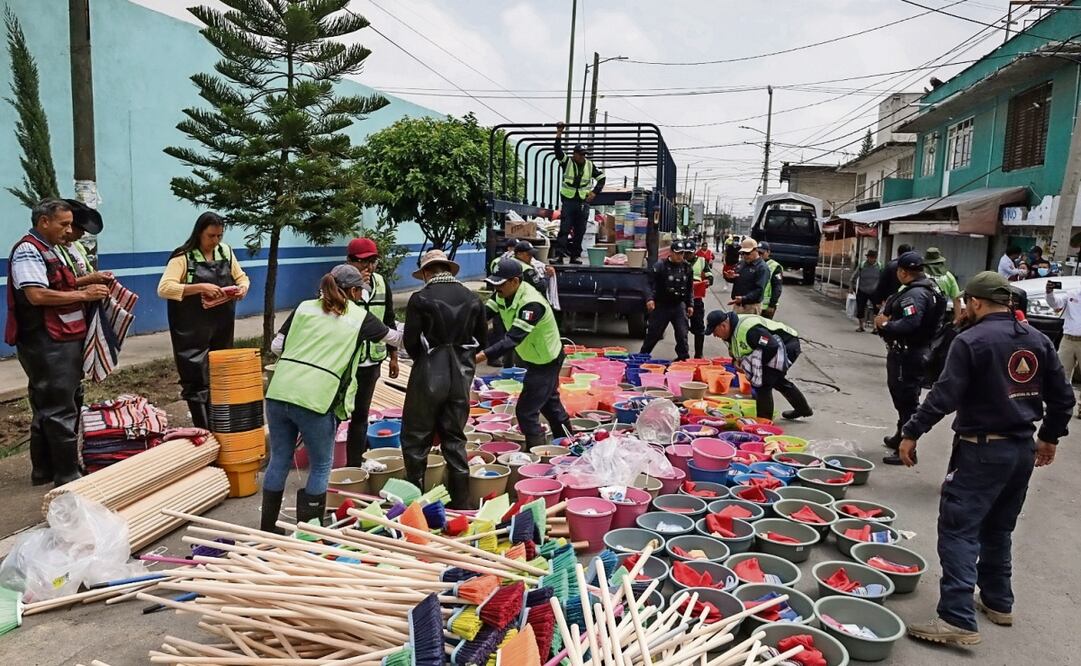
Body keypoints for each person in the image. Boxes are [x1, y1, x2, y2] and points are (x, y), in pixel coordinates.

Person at [898, 271, 1073, 647]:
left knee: (959, 529)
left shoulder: (971, 341)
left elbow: (943, 395)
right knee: (998, 527)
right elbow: (1063, 398)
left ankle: (956, 618)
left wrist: (911, 432)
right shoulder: (1039, 340)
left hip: (982, 450)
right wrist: (1049, 438)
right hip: (1021, 449)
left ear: (976, 302)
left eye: (967, 303)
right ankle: (998, 601)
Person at [262, 264, 403, 532]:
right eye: (360, 292)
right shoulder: (359, 317)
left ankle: (269, 528)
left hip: (279, 391)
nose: (362, 297)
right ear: (351, 290)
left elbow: (276, 346)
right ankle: (309, 532)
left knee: (279, 458)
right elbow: (395, 338)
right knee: (321, 464)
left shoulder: (304, 307)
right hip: (316, 398)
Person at [5, 199, 110, 486]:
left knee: (51, 403)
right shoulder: (28, 250)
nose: (69, 230)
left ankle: (44, 470)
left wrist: (89, 279)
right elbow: (37, 295)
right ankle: (67, 474)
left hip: (60, 337)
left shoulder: (51, 250)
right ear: (44, 223)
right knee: (60, 407)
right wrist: (84, 295)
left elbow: (59, 284)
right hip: (46, 340)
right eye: (64, 224)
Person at [402, 250, 487, 508]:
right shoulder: (473, 299)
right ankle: (461, 502)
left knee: (416, 438)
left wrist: (427, 359)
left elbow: (410, 342)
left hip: (428, 372)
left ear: (427, 272)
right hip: (461, 373)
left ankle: (414, 503)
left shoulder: (420, 299)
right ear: (448, 270)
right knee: (455, 437)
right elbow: (482, 340)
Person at [158, 212, 250, 430]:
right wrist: (200, 287)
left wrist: (243, 288)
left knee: (218, 374)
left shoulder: (225, 252)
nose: (215, 241)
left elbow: (241, 276)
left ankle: (219, 426)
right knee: (196, 376)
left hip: (221, 325)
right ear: (199, 233)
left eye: (219, 235)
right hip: (191, 328)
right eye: (211, 236)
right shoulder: (183, 257)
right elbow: (164, 288)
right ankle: (203, 429)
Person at [478, 258, 572, 449]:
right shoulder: (502, 295)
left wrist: (478, 357)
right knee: (549, 403)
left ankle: (535, 451)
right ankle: (568, 442)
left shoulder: (531, 304)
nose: (497, 289)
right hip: (534, 357)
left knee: (526, 410)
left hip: (547, 359)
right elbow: (481, 317)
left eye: (501, 284)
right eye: (494, 284)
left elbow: (511, 339)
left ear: (515, 281)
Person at [874, 251, 947, 464]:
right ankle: (901, 435)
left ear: (903, 272)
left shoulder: (915, 295)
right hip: (916, 351)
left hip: (909, 354)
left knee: (906, 400)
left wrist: (884, 324)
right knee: (903, 399)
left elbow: (910, 323)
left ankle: (907, 447)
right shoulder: (928, 287)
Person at [342, 237, 399, 466]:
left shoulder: (382, 283)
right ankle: (328, 464)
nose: (368, 267)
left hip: (372, 361)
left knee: (361, 415)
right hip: (345, 362)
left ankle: (354, 464)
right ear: (349, 261)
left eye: (373, 262)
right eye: (362, 262)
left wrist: (393, 356)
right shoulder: (339, 284)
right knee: (338, 414)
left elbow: (390, 320)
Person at [706, 310, 813, 420]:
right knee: (777, 381)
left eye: (714, 331)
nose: (714, 335)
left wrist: (758, 367)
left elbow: (771, 345)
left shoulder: (750, 330)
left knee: (764, 383)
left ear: (723, 325)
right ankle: (803, 409)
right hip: (773, 347)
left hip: (786, 345)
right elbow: (737, 349)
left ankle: (763, 422)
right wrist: (735, 361)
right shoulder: (732, 330)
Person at [553, 122, 605, 264]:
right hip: (569, 201)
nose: (583, 157)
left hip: (583, 202)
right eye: (580, 154)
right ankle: (559, 256)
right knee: (564, 229)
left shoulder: (589, 165)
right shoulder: (567, 162)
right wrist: (559, 133)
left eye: (584, 154)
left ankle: (575, 256)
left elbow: (601, 178)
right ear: (574, 154)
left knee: (580, 231)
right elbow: (557, 151)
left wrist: (595, 192)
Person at [640, 240, 694, 360]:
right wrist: (649, 299)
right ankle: (642, 357)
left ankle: (683, 359)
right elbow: (647, 283)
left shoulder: (687, 267)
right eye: (677, 253)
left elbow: (690, 288)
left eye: (682, 253)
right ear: (671, 253)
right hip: (662, 305)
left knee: (682, 333)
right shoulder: (660, 266)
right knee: (654, 334)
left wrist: (690, 304)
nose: (680, 256)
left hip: (678, 305)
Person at [1046, 280, 1081, 417]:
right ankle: (1060, 404)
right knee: (1061, 374)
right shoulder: (1072, 294)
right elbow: (1056, 303)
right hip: (1068, 339)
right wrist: (1049, 293)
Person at [56, 199, 105, 281]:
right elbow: (61, 284)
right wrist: (88, 280)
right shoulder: (54, 248)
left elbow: (86, 270)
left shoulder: (77, 245)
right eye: (80, 229)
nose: (82, 234)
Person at [724, 238, 769, 315]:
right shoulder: (742, 263)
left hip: (751, 307)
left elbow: (759, 290)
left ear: (756, 250)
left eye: (747, 253)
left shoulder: (762, 268)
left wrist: (744, 298)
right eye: (743, 253)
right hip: (738, 305)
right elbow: (736, 278)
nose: (745, 256)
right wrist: (730, 277)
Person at [686, 242, 714, 359]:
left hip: (696, 297)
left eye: (690, 253)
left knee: (698, 327)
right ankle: (683, 355)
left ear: (694, 251)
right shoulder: (679, 260)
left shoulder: (702, 261)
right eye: (685, 253)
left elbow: (710, 275)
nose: (687, 255)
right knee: (681, 328)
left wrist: (708, 281)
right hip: (682, 298)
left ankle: (698, 354)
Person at [923, 247, 963, 326]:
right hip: (939, 319)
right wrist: (957, 319)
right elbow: (957, 298)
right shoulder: (948, 276)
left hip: (920, 316)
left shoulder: (920, 275)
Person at [853, 248, 883, 332]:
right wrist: (852, 286)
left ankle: (875, 328)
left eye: (873, 257)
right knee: (860, 309)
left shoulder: (880, 266)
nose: (871, 259)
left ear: (875, 258)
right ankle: (861, 326)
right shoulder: (862, 265)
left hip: (875, 291)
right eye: (869, 257)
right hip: (862, 290)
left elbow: (883, 279)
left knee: (876, 309)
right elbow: (854, 276)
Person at [759, 241, 783, 319]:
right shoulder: (754, 263)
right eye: (758, 252)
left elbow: (777, 287)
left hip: (766, 307)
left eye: (762, 253)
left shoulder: (775, 266)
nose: (760, 255)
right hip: (754, 305)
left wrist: (772, 305)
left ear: (768, 252)